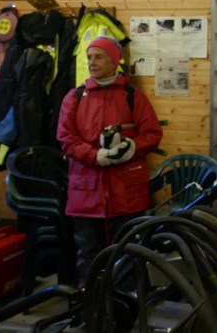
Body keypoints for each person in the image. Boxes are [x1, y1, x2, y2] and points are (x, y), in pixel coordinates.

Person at [56, 36, 163, 287]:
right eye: (90, 57)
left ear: (114, 61)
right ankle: (91, 308)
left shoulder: (133, 97)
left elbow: (153, 134)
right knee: (89, 257)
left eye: (99, 56)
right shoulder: (75, 97)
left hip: (127, 196)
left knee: (128, 256)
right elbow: (65, 138)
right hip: (86, 196)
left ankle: (126, 310)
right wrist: (96, 156)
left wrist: (131, 147)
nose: (92, 62)